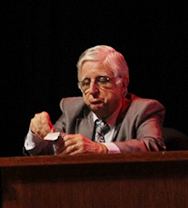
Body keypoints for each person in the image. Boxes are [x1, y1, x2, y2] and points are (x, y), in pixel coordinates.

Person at [25, 45, 165, 155]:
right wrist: (36, 134)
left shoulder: (144, 109)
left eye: (102, 80)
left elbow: (153, 146)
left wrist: (101, 149)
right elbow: (47, 151)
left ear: (123, 84)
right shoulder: (72, 109)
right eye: (86, 83)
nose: (92, 90)